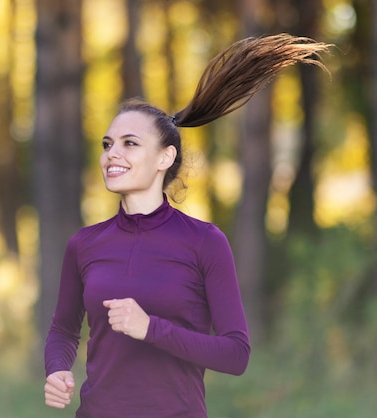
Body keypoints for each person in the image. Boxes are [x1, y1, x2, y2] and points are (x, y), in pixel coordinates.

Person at [43, 34, 331, 418]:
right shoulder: (85, 244)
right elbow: (63, 331)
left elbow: (235, 353)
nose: (112, 153)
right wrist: (58, 369)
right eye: (107, 143)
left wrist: (150, 329)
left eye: (130, 144)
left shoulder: (204, 242)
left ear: (165, 157)